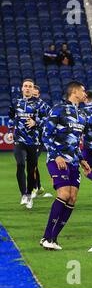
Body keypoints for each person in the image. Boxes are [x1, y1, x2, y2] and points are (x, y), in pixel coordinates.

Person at [40, 81, 91, 250]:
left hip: (74, 162)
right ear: (74, 92)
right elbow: (46, 135)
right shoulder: (58, 109)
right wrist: (56, 156)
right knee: (64, 193)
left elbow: (75, 143)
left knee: (73, 197)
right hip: (57, 160)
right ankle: (46, 236)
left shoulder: (82, 115)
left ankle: (53, 239)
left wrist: (82, 160)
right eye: (83, 91)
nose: (86, 94)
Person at [7, 79, 49, 209]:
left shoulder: (40, 104)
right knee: (20, 164)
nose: (27, 88)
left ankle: (29, 195)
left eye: (30, 86)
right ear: (22, 88)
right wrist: (9, 131)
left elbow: (48, 119)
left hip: (34, 142)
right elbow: (12, 118)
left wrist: (36, 123)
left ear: (33, 89)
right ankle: (23, 194)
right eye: (25, 86)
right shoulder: (16, 103)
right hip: (19, 140)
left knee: (31, 170)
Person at [31, 85, 51, 199]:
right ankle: (38, 187)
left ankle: (34, 188)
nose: (33, 97)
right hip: (28, 137)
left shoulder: (44, 106)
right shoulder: (25, 105)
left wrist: (36, 122)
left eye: (35, 95)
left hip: (39, 138)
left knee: (32, 162)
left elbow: (49, 120)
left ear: (38, 95)